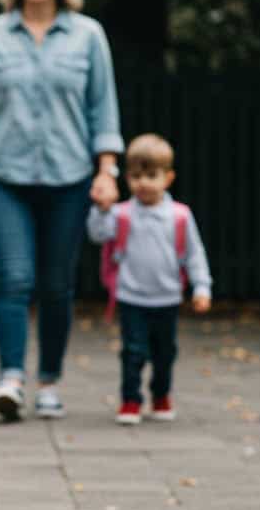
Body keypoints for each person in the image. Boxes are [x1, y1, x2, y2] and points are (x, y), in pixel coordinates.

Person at [0, 0, 124, 422]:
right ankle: (11, 378)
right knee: (14, 278)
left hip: (70, 179)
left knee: (56, 285)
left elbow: (103, 112)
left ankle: (49, 380)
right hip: (3, 178)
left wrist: (106, 171)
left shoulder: (89, 35)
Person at [87, 133, 212, 426]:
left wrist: (202, 286)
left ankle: (161, 395)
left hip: (167, 297)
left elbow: (195, 254)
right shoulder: (121, 214)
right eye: (136, 176)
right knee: (133, 352)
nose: (143, 183)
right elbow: (97, 234)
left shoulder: (180, 216)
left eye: (151, 175)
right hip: (132, 297)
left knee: (164, 352)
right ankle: (131, 399)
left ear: (168, 178)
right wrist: (101, 208)